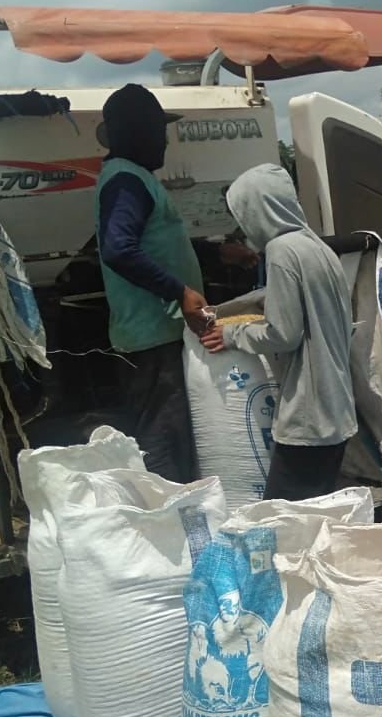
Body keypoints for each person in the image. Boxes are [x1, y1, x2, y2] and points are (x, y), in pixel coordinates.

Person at [204, 163, 357, 501]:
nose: (243, 227)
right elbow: (281, 296)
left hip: (308, 417)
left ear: (259, 209)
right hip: (336, 410)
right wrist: (225, 309)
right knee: (317, 513)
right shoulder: (315, 247)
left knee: (285, 517)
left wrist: (232, 335)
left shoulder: (280, 251)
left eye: (243, 214)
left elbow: (282, 334)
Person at [94, 82, 212, 483]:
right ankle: (175, 525)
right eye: (157, 129)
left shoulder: (133, 177)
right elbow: (118, 249)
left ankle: (182, 518)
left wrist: (215, 255)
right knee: (164, 436)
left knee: (174, 434)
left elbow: (153, 246)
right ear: (136, 132)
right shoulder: (126, 180)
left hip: (156, 336)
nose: (164, 140)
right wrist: (179, 292)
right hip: (152, 340)